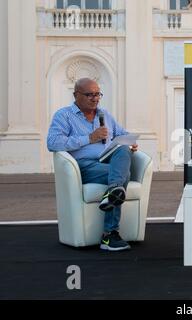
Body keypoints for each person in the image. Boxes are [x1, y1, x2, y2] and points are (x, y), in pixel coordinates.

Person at [47, 78, 138, 251]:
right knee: (123, 175)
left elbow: (122, 133)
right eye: (89, 94)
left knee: (124, 150)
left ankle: (113, 191)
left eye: (97, 94)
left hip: (109, 161)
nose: (95, 98)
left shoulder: (104, 114)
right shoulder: (64, 115)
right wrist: (89, 138)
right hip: (84, 166)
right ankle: (109, 234)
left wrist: (130, 141)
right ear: (76, 95)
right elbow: (53, 142)